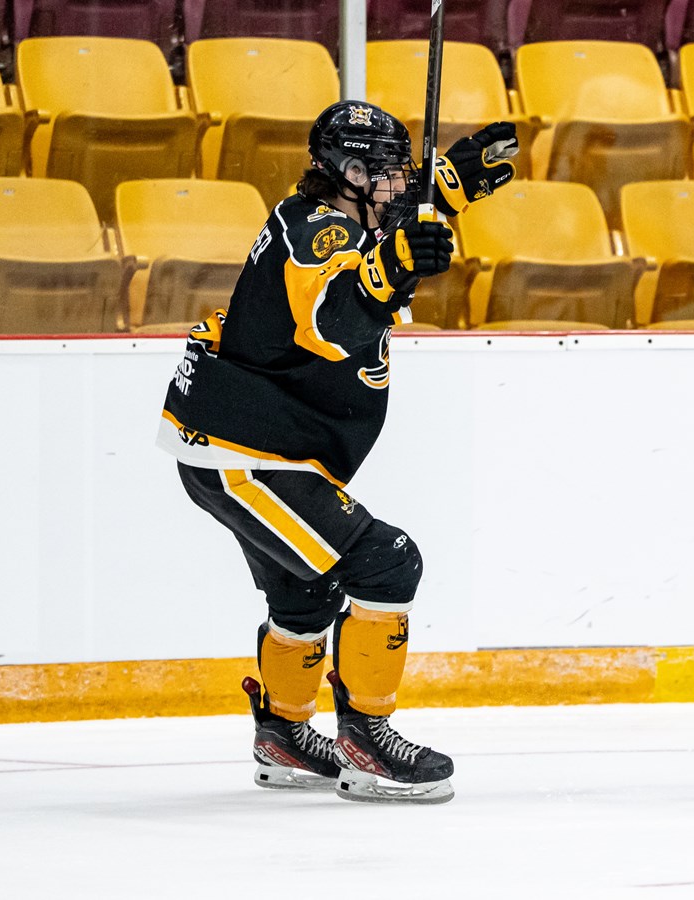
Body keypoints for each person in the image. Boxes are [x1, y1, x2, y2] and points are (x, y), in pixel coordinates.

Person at [156, 100, 518, 804]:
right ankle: (367, 739)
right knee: (386, 561)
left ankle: (285, 737)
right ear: (350, 174)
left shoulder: (336, 212)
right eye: (386, 173)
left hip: (246, 446)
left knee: (307, 588)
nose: (398, 184)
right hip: (247, 453)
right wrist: (391, 274)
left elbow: (389, 224)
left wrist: (449, 184)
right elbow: (330, 318)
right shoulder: (316, 234)